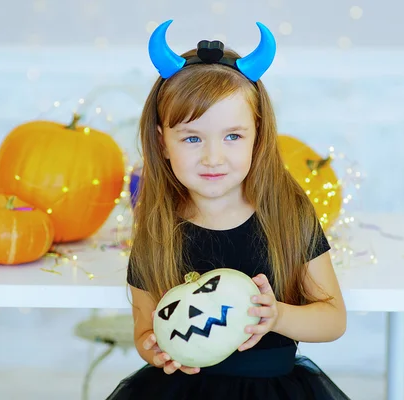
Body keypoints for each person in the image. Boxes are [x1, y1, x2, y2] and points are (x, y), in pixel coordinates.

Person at [106, 20, 350, 400]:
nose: (213, 157)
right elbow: (144, 324)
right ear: (163, 142)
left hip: (275, 390)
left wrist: (278, 316)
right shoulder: (159, 226)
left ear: (258, 135)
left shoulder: (287, 214)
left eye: (233, 136)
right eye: (191, 138)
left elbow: (333, 319)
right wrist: (153, 349)